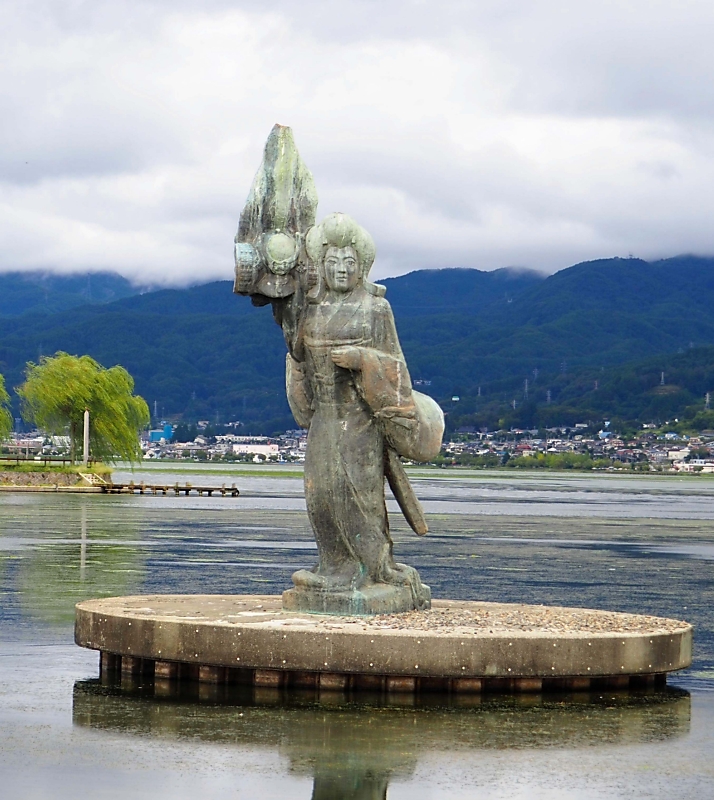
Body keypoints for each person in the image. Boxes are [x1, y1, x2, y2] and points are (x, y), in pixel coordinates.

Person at [285, 213, 443, 607]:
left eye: (350, 263)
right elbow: (297, 358)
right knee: (321, 495)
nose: (341, 269)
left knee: (359, 496)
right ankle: (333, 566)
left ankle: (373, 568)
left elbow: (396, 367)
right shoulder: (310, 310)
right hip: (324, 418)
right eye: (334, 262)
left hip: (360, 419)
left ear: (362, 268)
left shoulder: (376, 310)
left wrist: (363, 359)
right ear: (322, 266)